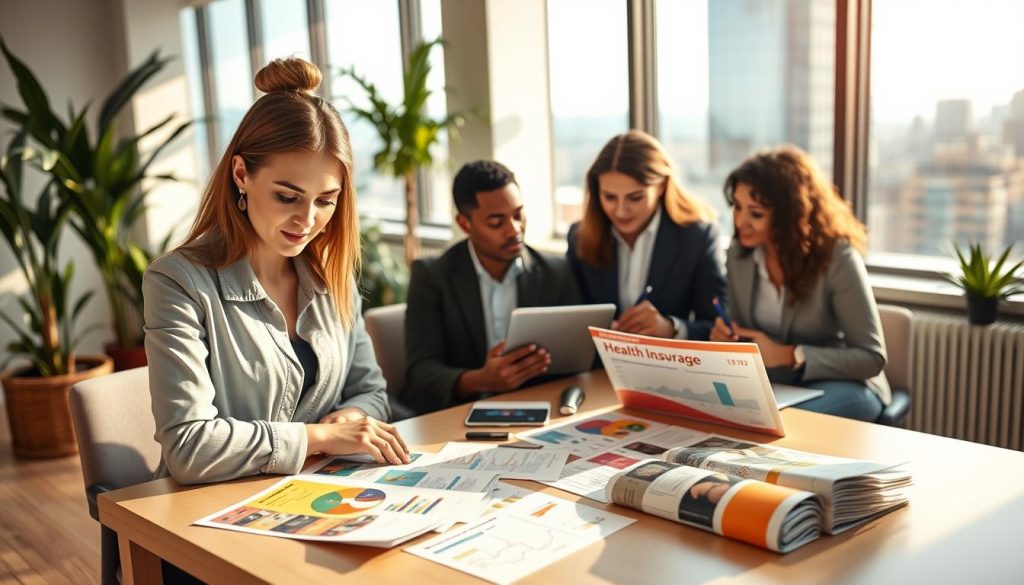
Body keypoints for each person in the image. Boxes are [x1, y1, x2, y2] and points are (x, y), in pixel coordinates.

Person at [143, 58, 411, 488]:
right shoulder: (178, 281)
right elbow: (188, 448)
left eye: (326, 200)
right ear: (241, 174)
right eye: (288, 196)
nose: (307, 219)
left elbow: (372, 393)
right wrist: (320, 436)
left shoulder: (331, 276)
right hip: (206, 514)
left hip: (314, 493)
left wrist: (350, 419)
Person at [711, 146, 890, 422]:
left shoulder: (837, 257)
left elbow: (871, 358)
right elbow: (739, 329)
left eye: (756, 213)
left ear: (788, 215)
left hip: (843, 385)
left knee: (780, 424)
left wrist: (790, 355)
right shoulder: (740, 254)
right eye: (737, 206)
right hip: (775, 385)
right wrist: (726, 337)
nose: (740, 222)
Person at [404, 160, 581, 413]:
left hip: (542, 408)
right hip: (459, 414)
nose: (515, 229)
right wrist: (480, 379)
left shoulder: (557, 271)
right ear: (465, 224)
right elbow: (420, 371)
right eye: (497, 222)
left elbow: (577, 359)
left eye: (518, 214)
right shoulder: (432, 276)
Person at [567, 130, 726, 341]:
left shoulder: (697, 237)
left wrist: (672, 328)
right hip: (602, 369)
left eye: (635, 197)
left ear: (661, 186)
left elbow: (719, 328)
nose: (621, 211)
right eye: (610, 197)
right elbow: (571, 317)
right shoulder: (580, 236)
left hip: (671, 369)